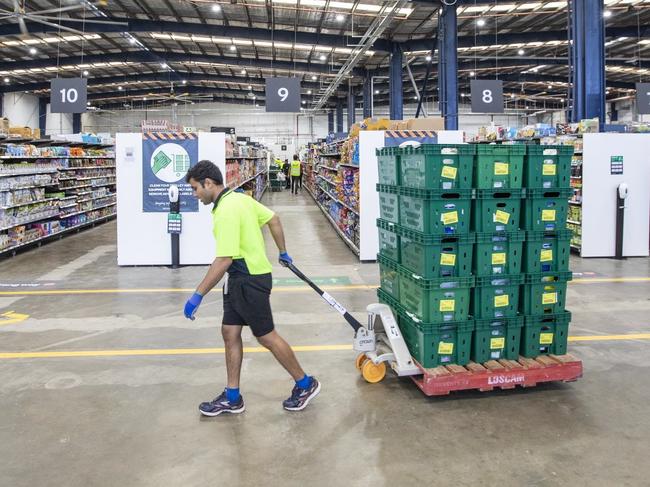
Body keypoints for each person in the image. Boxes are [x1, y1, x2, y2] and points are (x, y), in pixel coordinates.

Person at [183, 160, 320, 417]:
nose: (194, 194)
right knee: (229, 332)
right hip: (240, 279)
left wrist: (197, 295)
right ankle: (232, 397)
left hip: (249, 279)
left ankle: (305, 383)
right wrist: (283, 252)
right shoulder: (239, 198)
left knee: (266, 336)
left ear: (208, 183)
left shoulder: (226, 210)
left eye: (195, 188)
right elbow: (274, 219)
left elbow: (224, 259)